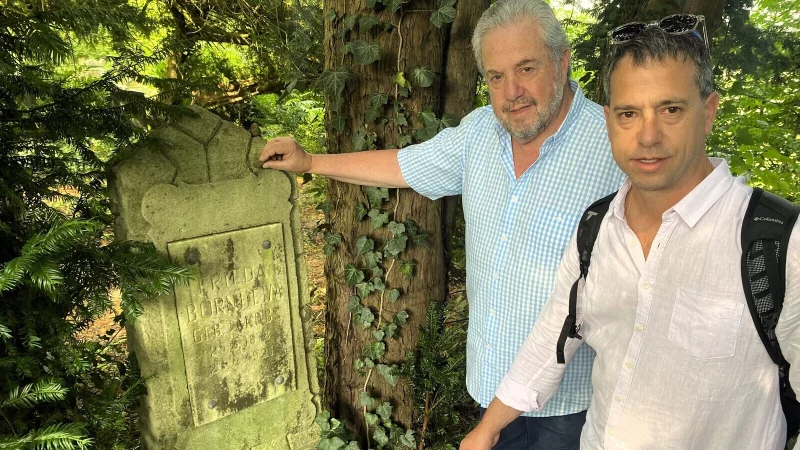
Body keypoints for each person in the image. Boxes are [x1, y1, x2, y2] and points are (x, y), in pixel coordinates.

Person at [260, 0, 624, 447]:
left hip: (573, 403)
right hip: (493, 388)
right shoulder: (478, 133)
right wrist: (310, 161)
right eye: (495, 76)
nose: (511, 91)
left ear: (563, 61)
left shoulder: (617, 144)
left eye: (526, 68)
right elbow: (402, 166)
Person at [459, 17, 800, 450]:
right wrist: (487, 429)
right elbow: (550, 342)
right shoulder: (597, 229)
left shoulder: (775, 243)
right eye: (628, 113)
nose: (648, 135)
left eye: (671, 109)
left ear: (709, 111)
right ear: (609, 121)